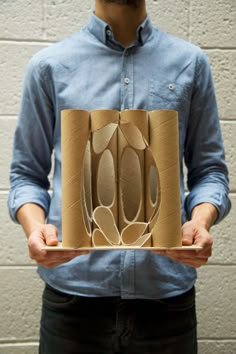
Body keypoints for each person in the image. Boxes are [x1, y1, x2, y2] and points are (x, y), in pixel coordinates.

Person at [8, 0, 231, 353]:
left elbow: (210, 172)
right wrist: (35, 229)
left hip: (166, 304)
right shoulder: (49, 66)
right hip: (73, 305)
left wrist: (201, 220)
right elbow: (26, 175)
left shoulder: (190, 63)